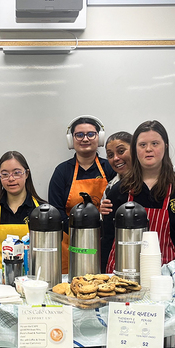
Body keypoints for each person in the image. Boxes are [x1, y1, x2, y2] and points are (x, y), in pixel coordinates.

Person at [101, 120, 175, 271]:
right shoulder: (118, 191)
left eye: (155, 143)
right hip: (122, 274)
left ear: (165, 146)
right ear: (135, 149)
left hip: (165, 277)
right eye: (143, 145)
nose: (148, 149)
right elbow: (107, 238)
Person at [48, 116, 115, 274]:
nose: (85, 139)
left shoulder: (110, 169)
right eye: (79, 135)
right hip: (71, 242)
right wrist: (81, 234)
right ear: (71, 140)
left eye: (91, 134)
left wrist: (100, 231)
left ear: (99, 138)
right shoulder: (62, 172)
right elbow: (56, 212)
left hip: (104, 241)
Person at [100, 129, 175, 225]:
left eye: (121, 151)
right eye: (110, 155)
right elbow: (108, 226)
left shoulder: (168, 173)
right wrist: (103, 213)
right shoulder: (111, 188)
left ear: (135, 150)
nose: (116, 158)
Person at [0, 151, 45, 267]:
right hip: (0, 280)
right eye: (5, 174)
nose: (11, 178)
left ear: (26, 174)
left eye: (17, 173)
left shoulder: (41, 211)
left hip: (35, 281)